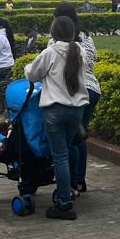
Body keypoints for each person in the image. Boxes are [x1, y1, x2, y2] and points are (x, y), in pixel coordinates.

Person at [24, 16, 91, 220]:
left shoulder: (50, 52)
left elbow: (31, 74)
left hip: (55, 109)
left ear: (53, 33)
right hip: (77, 109)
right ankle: (70, 189)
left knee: (59, 156)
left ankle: (64, 203)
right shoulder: (80, 50)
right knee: (68, 149)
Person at [53, 3, 98, 194]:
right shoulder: (85, 36)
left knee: (70, 140)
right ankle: (79, 180)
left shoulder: (56, 42)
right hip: (92, 89)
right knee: (80, 136)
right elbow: (93, 58)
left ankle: (72, 182)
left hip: (74, 91)